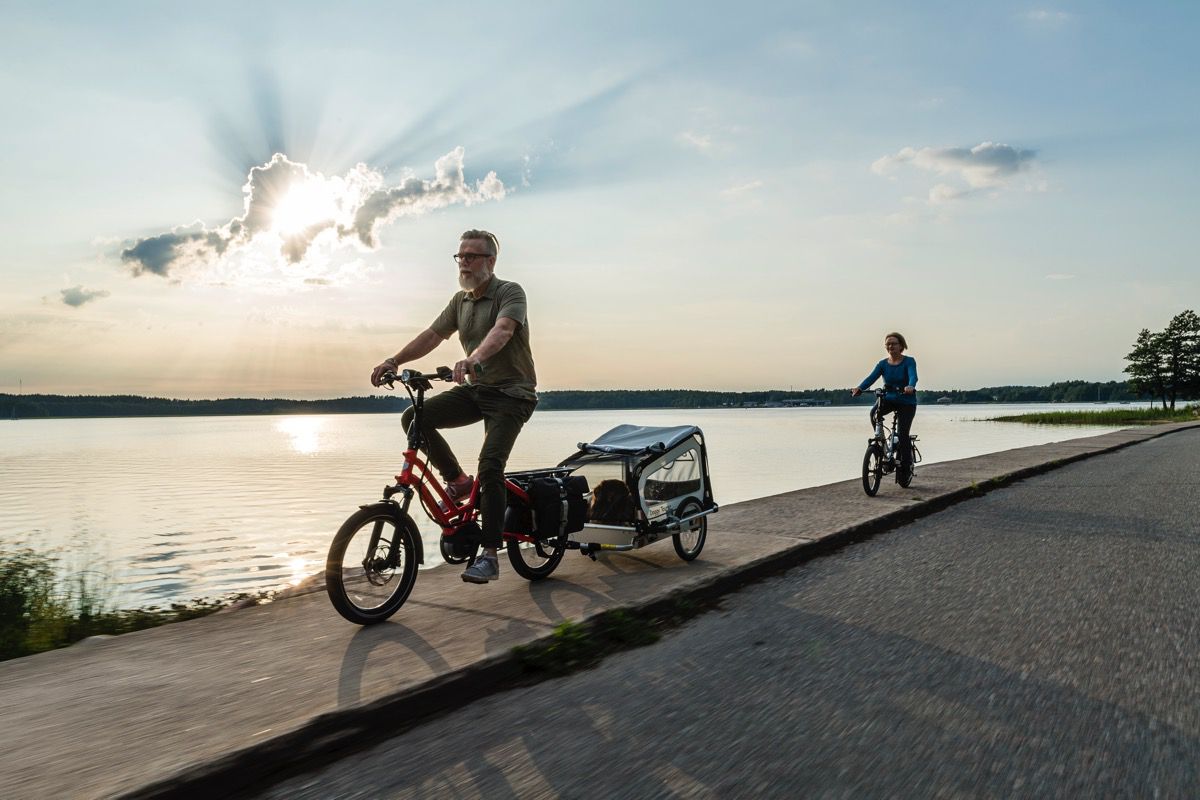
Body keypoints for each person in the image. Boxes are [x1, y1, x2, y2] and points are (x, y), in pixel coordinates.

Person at [370, 230, 537, 584]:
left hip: (512, 395)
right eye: (460, 256)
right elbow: (432, 336)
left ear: (490, 262)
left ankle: (490, 555)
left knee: (491, 466)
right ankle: (458, 481)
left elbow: (504, 330)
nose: (463, 262)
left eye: (472, 256)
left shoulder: (510, 292)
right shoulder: (459, 302)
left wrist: (473, 358)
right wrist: (394, 360)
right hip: (478, 392)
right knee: (415, 418)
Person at [851, 332, 918, 480]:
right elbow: (871, 377)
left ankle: (906, 465)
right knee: (874, 414)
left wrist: (910, 386)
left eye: (893, 343)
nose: (890, 346)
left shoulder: (909, 361)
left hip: (906, 401)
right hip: (888, 398)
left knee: (902, 433)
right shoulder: (882, 364)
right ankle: (881, 443)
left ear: (901, 346)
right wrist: (860, 388)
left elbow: (913, 375)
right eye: (888, 344)